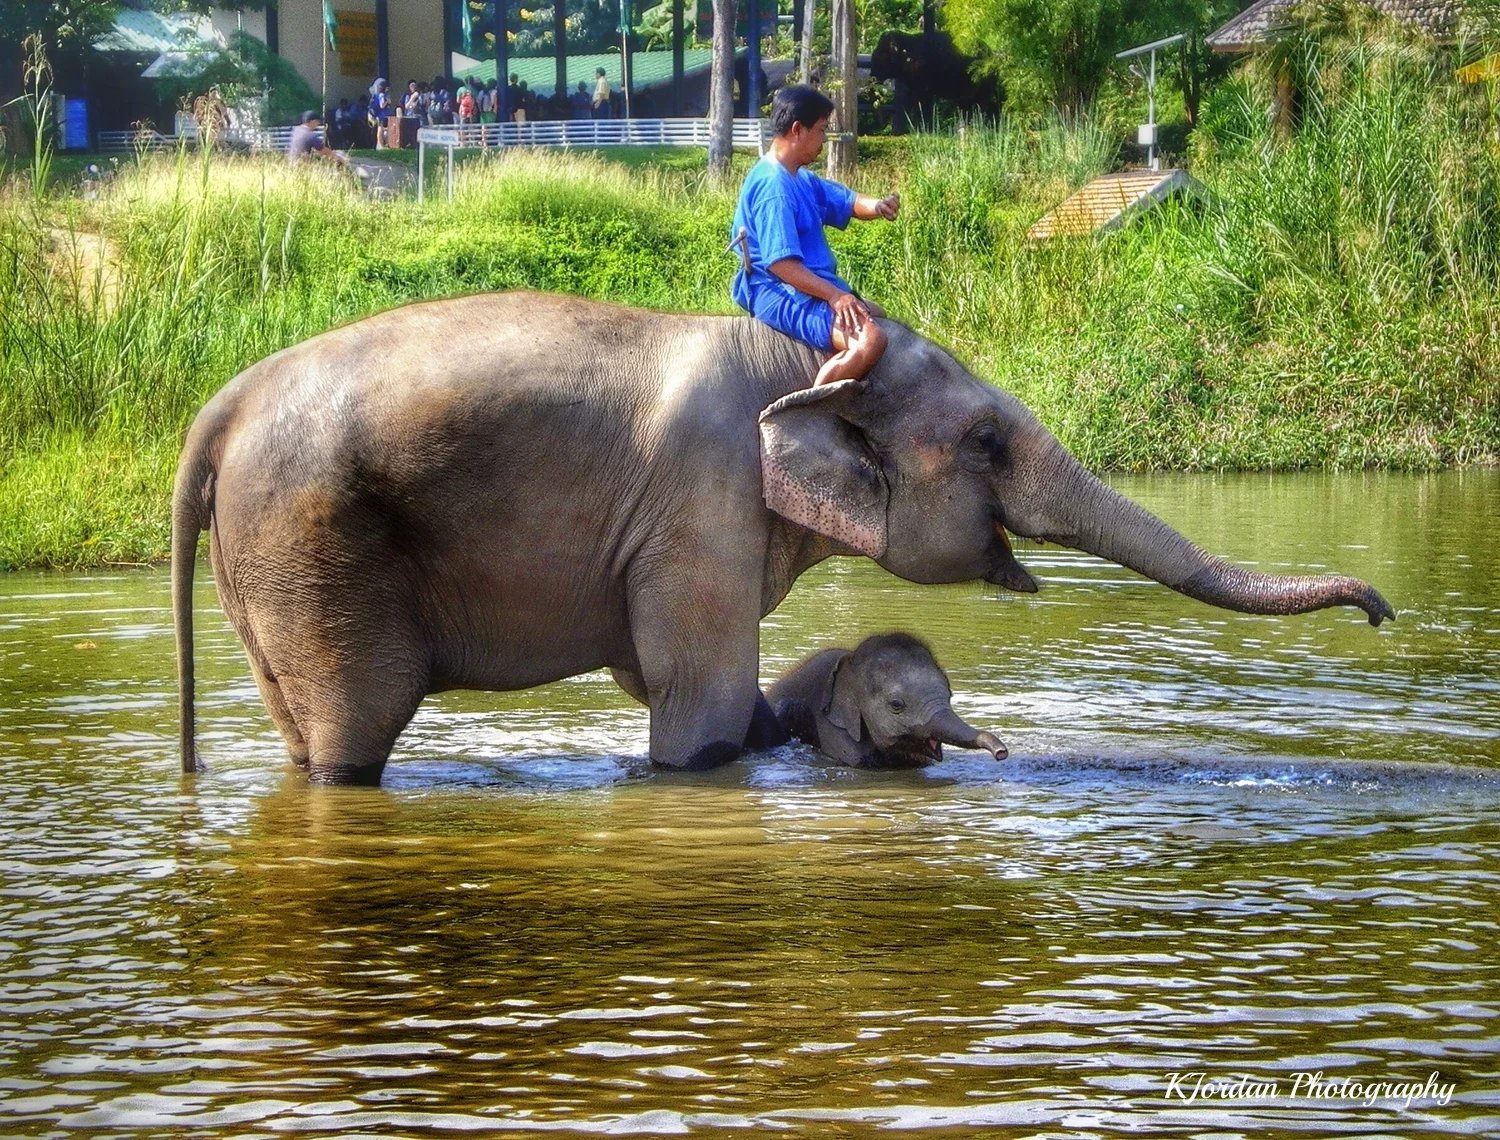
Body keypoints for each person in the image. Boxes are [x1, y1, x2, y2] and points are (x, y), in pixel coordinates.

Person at [730, 85, 900, 388]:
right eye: (821, 130)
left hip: (802, 282)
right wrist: (835, 296)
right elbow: (781, 265)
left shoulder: (799, 177)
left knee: (878, 313)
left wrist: (878, 206)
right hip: (777, 289)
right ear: (798, 130)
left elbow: (845, 201)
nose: (824, 139)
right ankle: (814, 405)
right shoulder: (774, 188)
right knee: (870, 340)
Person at [369, 78, 392, 148]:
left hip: (382, 115)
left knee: (382, 129)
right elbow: (382, 105)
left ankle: (382, 143)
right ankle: (381, 144)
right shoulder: (382, 95)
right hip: (382, 115)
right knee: (380, 129)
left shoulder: (379, 94)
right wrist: (386, 101)